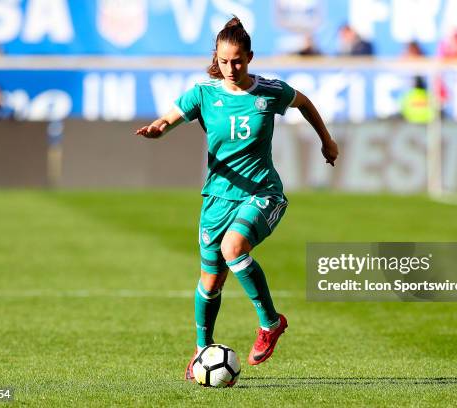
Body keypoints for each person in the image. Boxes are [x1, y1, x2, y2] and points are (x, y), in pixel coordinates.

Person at [135, 17, 338, 380]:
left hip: (262, 193)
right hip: (216, 198)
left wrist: (326, 140)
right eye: (226, 61)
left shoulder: (269, 92)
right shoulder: (204, 94)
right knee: (211, 282)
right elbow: (169, 119)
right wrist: (157, 129)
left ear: (250, 57)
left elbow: (304, 102)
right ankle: (201, 348)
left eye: (239, 60)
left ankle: (270, 323)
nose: (232, 68)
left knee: (234, 248)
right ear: (217, 57)